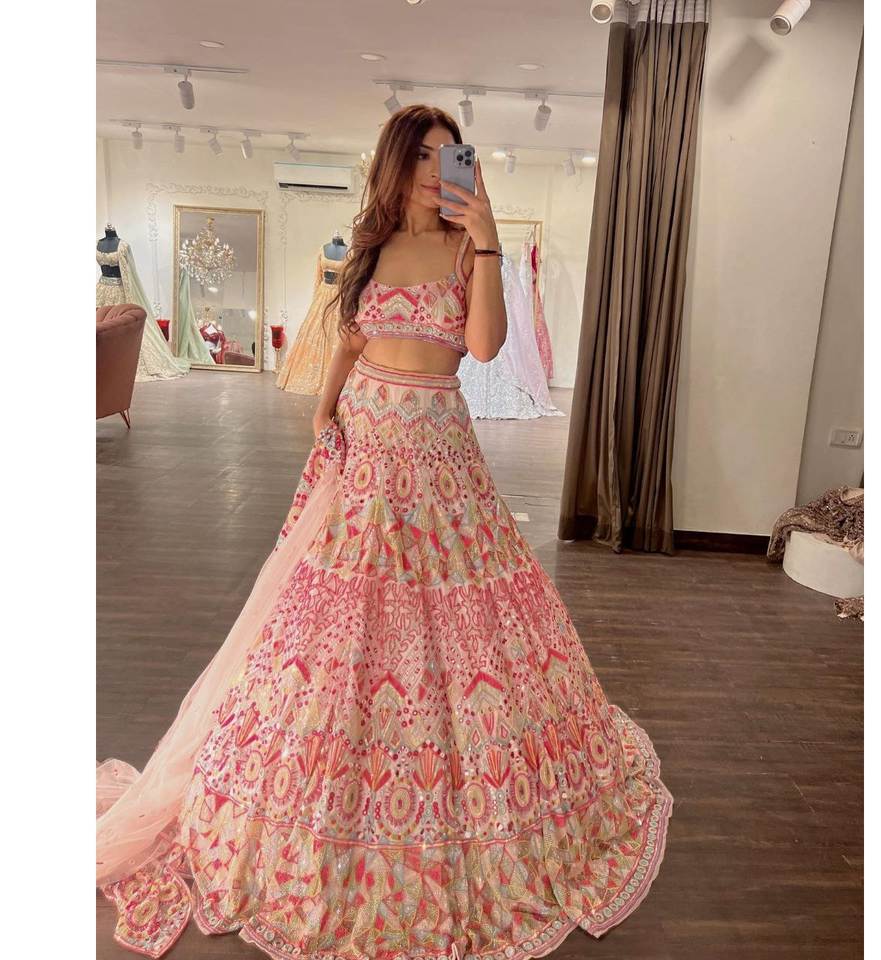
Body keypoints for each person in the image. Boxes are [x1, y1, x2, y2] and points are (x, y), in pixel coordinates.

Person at [96, 105, 671, 960]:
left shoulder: (466, 249)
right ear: (397, 166)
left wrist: (487, 241)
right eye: (426, 157)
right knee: (334, 626)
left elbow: (483, 347)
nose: (440, 172)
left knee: (457, 623)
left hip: (437, 448)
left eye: (452, 156)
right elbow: (352, 336)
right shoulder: (369, 246)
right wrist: (325, 406)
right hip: (363, 445)